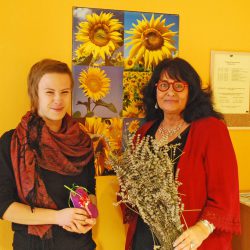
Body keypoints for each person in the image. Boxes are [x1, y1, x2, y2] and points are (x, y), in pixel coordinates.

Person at [122, 57, 241, 250]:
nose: (170, 92)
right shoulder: (145, 132)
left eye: (179, 86)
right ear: (155, 90)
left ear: (191, 92)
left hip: (191, 240)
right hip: (145, 238)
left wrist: (202, 228)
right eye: (163, 85)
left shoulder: (211, 129)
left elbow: (226, 191)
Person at [0, 59, 97, 250]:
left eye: (64, 92)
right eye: (50, 92)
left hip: (80, 245)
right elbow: (4, 207)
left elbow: (90, 190)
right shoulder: (12, 142)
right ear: (35, 94)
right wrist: (58, 217)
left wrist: (90, 215)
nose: (58, 99)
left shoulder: (82, 140)